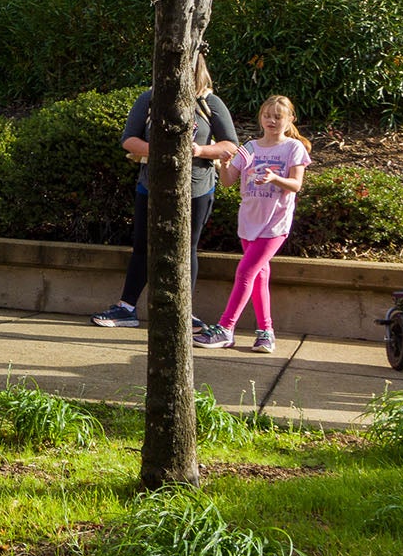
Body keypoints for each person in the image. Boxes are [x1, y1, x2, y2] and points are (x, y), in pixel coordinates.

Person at [90, 54, 239, 329]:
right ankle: (126, 308)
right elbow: (129, 140)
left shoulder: (209, 103)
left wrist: (200, 151)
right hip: (151, 186)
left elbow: (231, 145)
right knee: (143, 246)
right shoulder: (149, 99)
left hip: (197, 188)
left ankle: (183, 311)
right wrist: (162, 151)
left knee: (187, 248)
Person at [197, 96, 311, 354]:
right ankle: (265, 333)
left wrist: (274, 178)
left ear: (290, 119)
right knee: (259, 276)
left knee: (246, 272)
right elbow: (227, 182)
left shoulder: (293, 148)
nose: (271, 120)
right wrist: (225, 164)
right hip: (248, 221)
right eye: (267, 115)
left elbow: (296, 185)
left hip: (274, 224)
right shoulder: (250, 147)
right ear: (260, 117)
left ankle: (226, 328)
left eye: (278, 116)